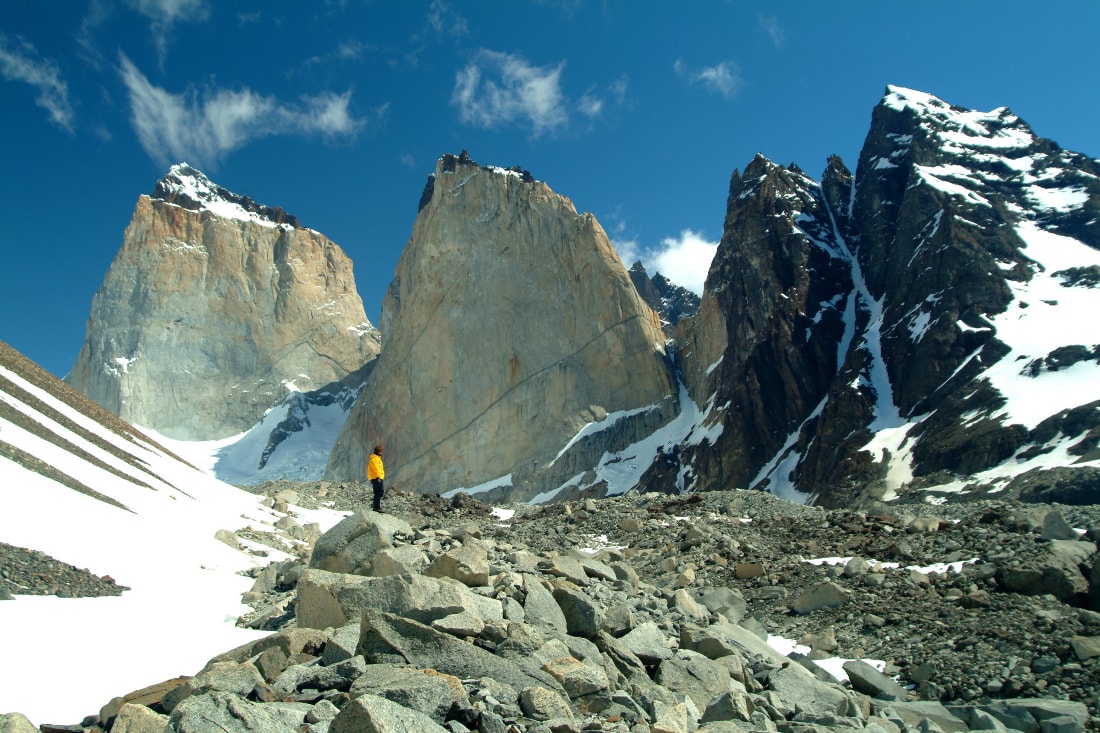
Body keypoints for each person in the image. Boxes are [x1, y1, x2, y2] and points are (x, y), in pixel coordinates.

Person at [367, 445, 385, 512]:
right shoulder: (375, 459)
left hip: (378, 478)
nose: (382, 452)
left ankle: (376, 506)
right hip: (377, 478)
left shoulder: (377, 458)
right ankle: (376, 507)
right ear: (378, 451)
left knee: (380, 492)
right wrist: (378, 477)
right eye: (381, 451)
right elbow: (376, 469)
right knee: (378, 492)